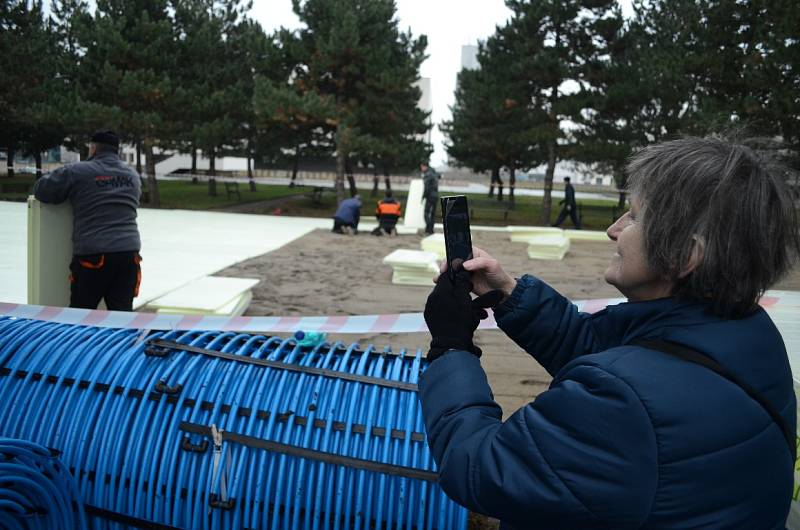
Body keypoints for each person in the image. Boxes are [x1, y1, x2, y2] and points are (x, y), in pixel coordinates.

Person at [420, 135, 800, 528]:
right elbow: (599, 350)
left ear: (687, 255)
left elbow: (479, 468)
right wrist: (508, 294)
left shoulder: (623, 403)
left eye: (634, 216)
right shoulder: (748, 329)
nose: (613, 230)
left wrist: (451, 349)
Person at [33, 129, 143, 311]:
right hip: (129, 254)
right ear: (117, 151)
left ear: (92, 149)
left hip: (94, 255)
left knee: (82, 315)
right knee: (122, 316)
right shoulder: (132, 176)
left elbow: (42, 191)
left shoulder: (78, 171)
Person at [421, 162, 440, 235]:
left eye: (422, 167)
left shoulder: (427, 175)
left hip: (430, 196)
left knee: (426, 213)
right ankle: (430, 230)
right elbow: (439, 176)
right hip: (435, 195)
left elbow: (427, 188)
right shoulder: (434, 173)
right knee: (432, 214)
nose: (421, 169)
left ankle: (428, 229)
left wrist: (423, 196)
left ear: (425, 166)